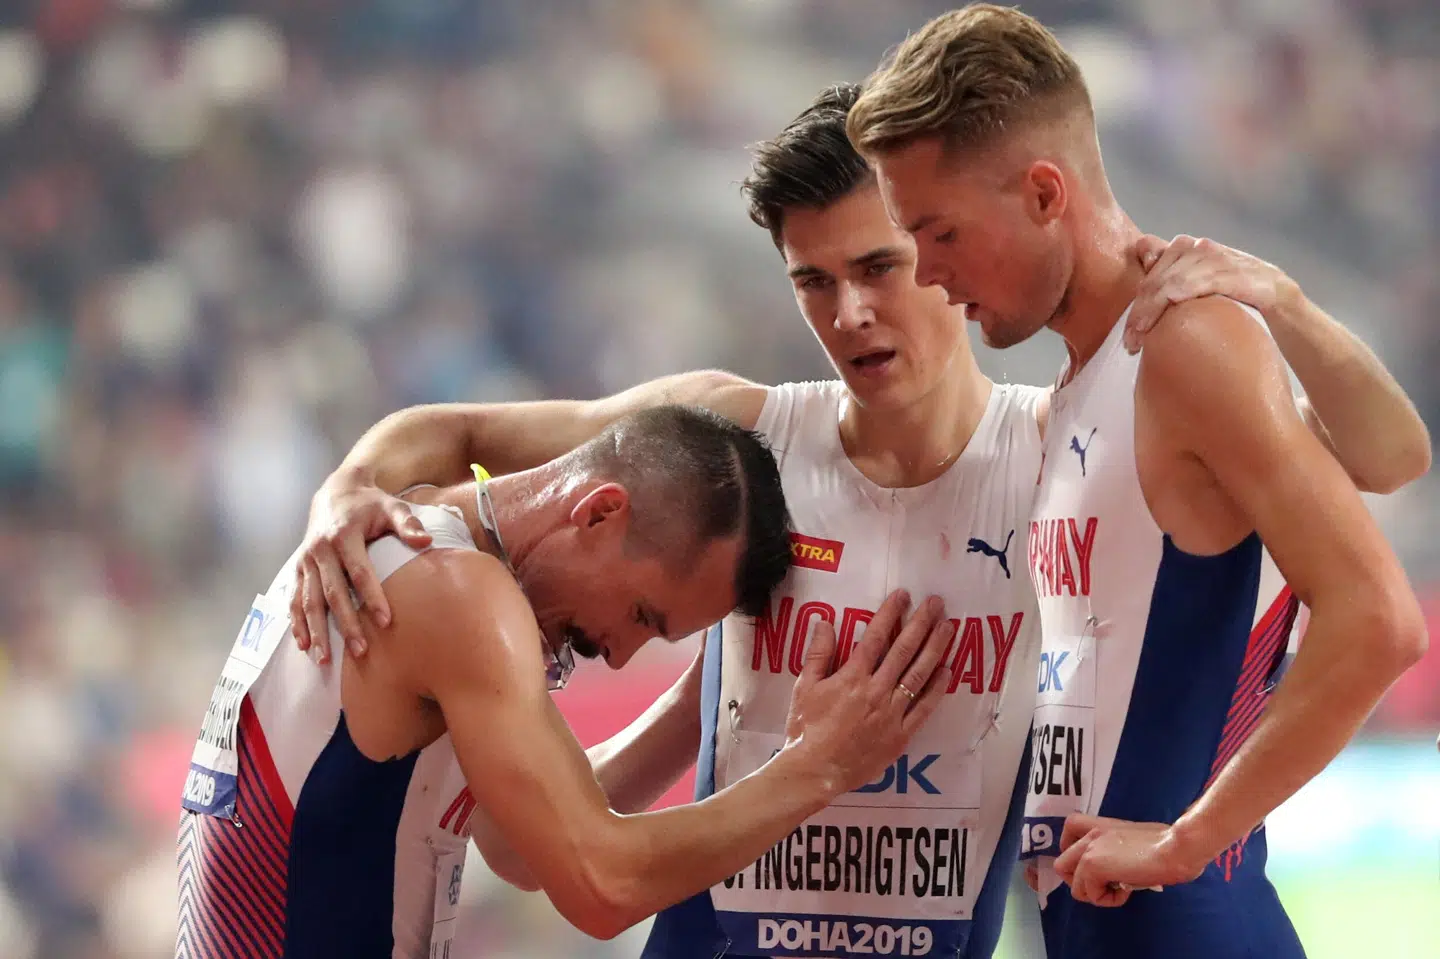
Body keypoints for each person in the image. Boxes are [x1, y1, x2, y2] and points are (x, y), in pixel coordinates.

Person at [291, 86, 1428, 959]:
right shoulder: (737, 443)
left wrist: (1275, 298)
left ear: (944, 245)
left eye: (882, 263)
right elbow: (447, 432)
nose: (852, 312)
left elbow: (1384, 461)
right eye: (813, 281)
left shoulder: (1069, 455)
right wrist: (343, 494)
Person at [846, 4, 1431, 957]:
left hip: (1184, 917)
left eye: (940, 233)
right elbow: (1391, 455)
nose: (930, 275)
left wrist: (1188, 841)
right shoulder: (1078, 387)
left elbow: (1381, 618)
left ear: (1044, 192)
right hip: (1101, 919)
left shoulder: (1185, 343)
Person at [175, 404, 960, 959]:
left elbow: (518, 847)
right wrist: (820, 763)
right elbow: (602, 882)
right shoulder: (460, 597)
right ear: (598, 514)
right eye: (645, 614)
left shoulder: (409, 540)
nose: (617, 655)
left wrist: (698, 704)